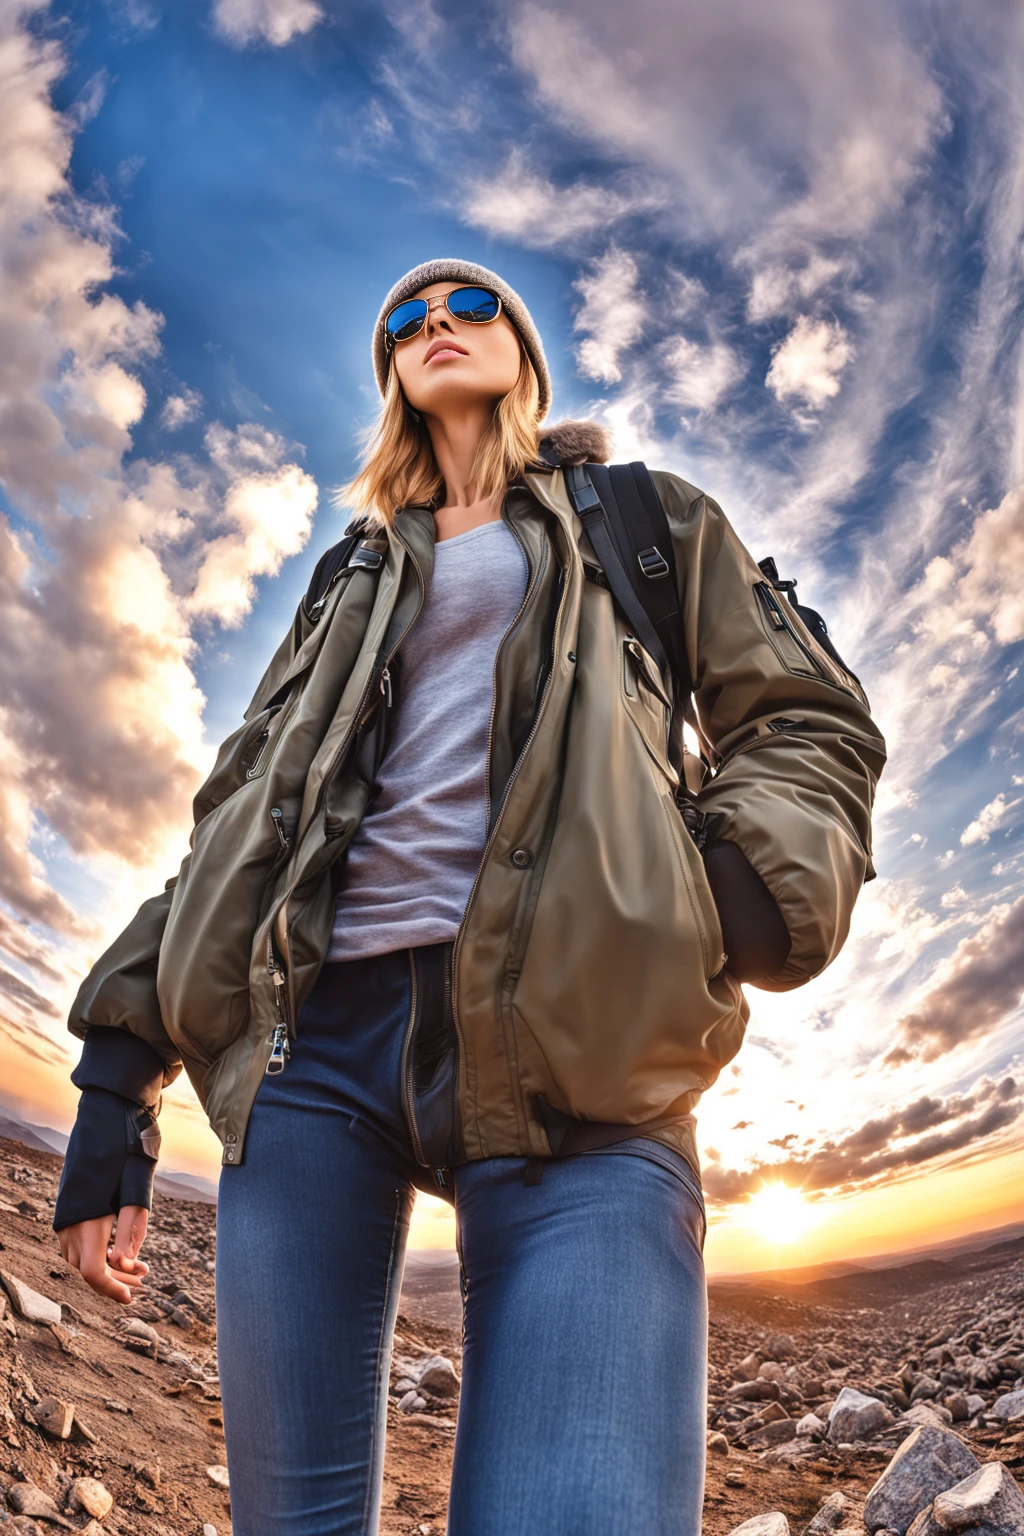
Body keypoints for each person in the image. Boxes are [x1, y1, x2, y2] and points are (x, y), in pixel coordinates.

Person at [53, 259, 886, 1536]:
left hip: (588, 1057)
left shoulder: (642, 519)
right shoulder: (350, 573)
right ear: (391, 371)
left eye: (469, 305)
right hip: (312, 1058)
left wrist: (731, 886)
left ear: (522, 348)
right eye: (403, 318)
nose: (435, 322)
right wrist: (119, 1069)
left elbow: (807, 717)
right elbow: (243, 820)